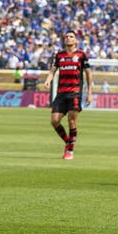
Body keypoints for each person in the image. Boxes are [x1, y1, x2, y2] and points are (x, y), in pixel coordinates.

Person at [44, 30, 93, 160]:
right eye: (66, 37)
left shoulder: (82, 55)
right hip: (61, 93)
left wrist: (89, 93)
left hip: (75, 93)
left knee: (72, 120)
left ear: (76, 40)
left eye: (71, 37)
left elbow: (88, 74)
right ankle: (68, 141)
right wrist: (48, 80)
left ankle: (70, 151)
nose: (68, 38)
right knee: (54, 121)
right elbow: (52, 71)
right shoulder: (59, 56)